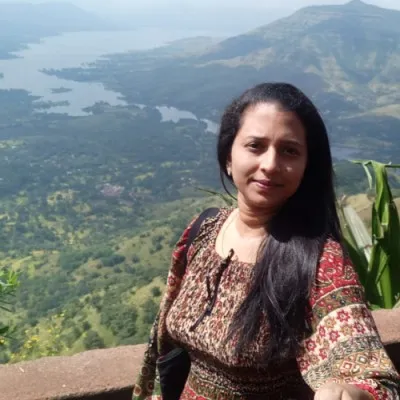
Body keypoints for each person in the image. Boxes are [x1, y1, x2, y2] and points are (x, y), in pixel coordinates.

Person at [132, 83, 400, 399]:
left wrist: (352, 392)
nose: (270, 164)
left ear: (306, 167)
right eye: (255, 146)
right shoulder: (203, 229)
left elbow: (369, 371)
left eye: (289, 151)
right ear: (228, 157)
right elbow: (162, 341)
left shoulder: (319, 262)